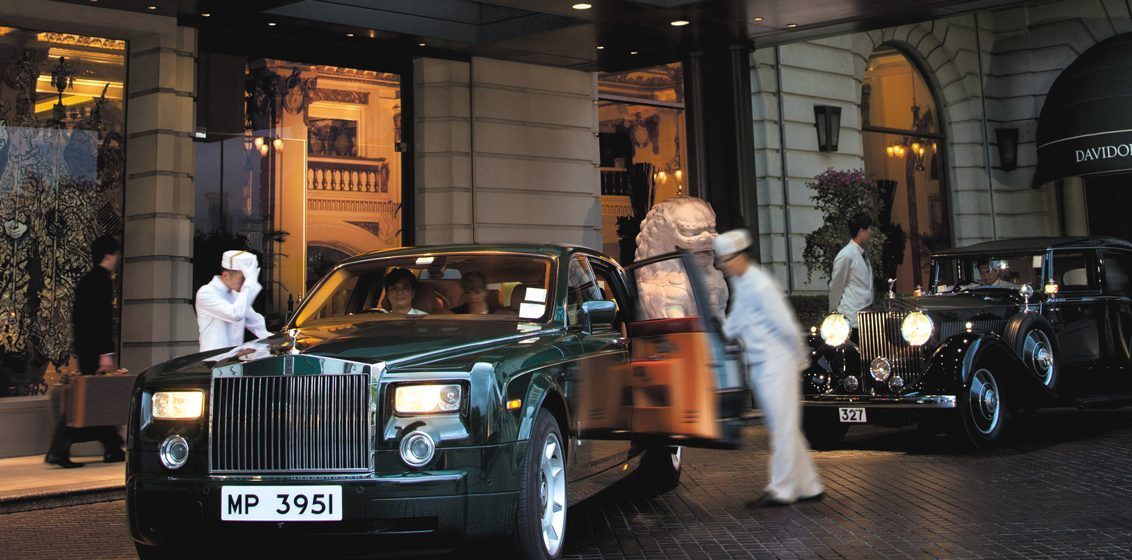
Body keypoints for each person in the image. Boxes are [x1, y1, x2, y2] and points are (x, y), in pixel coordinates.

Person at [713, 229, 824, 507]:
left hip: (777, 363)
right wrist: (718, 334)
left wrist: (800, 355)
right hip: (763, 364)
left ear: (739, 257)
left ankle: (782, 489)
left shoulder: (760, 285)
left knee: (782, 427)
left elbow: (785, 324)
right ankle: (809, 485)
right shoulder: (743, 282)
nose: (723, 266)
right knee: (784, 425)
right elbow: (737, 320)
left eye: (725, 260)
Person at [45, 235, 126, 468]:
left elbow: (80, 320)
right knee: (90, 396)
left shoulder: (86, 281)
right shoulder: (101, 281)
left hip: (85, 348)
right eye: (116, 255)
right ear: (109, 255)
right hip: (95, 350)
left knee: (96, 396)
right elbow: (102, 321)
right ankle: (60, 449)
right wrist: (106, 353)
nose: (117, 259)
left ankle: (112, 445)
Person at [195, 250, 271, 352]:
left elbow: (256, 323)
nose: (246, 283)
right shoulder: (206, 293)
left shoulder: (236, 294)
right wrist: (250, 284)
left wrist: (276, 341)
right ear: (226, 276)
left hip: (233, 359)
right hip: (213, 359)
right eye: (243, 279)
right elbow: (235, 314)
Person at [828, 212, 875, 329]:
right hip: (851, 315)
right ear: (861, 231)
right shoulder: (846, 255)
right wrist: (833, 311)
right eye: (870, 228)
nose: (871, 232)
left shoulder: (863, 253)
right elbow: (836, 285)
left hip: (866, 316)